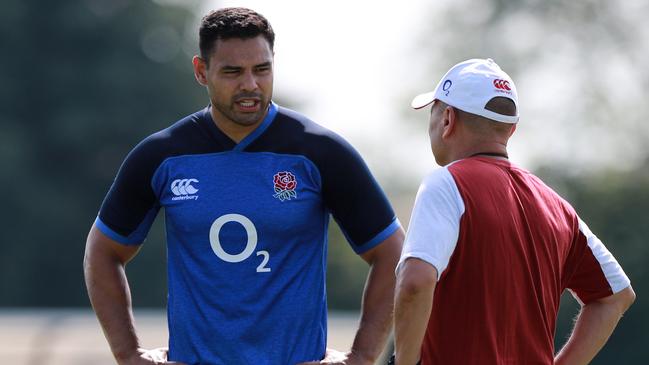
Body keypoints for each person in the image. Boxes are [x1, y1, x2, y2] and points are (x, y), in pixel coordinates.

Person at [83, 7, 404, 365]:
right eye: (233, 72)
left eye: (261, 69)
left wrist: (360, 356)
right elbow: (103, 251)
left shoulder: (320, 152)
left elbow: (393, 253)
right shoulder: (162, 155)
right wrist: (129, 354)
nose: (250, 84)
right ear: (201, 71)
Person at [392, 58, 635, 365]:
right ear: (511, 128)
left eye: (434, 110)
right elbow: (615, 295)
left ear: (448, 119)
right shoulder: (557, 206)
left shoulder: (446, 183)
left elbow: (415, 283)